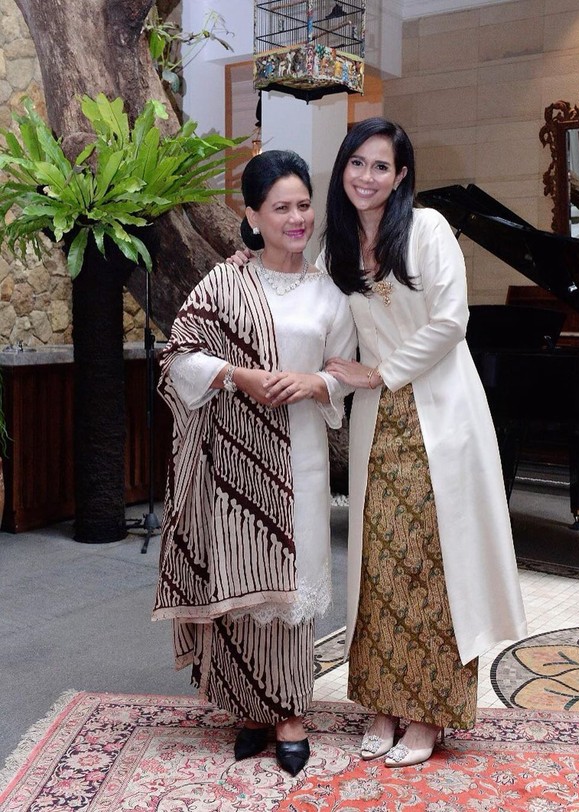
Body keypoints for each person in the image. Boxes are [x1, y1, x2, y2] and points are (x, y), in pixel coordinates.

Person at [321, 117, 528, 767]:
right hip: (376, 422)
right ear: (343, 168)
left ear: (402, 175)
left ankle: (430, 715)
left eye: (381, 166)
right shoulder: (338, 244)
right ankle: (382, 706)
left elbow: (451, 320)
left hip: (436, 412)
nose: (367, 176)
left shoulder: (429, 229)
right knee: (378, 564)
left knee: (430, 567)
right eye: (357, 163)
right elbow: (333, 329)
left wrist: (382, 371)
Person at [152, 149, 356, 776]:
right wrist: (237, 374)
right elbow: (176, 355)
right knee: (241, 580)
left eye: (303, 206)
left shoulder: (329, 293)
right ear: (253, 215)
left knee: (291, 588)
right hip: (233, 461)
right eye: (281, 208)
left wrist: (315, 383)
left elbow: (345, 370)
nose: (297, 219)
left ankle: (291, 712)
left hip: (300, 458)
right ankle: (249, 708)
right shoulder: (223, 282)